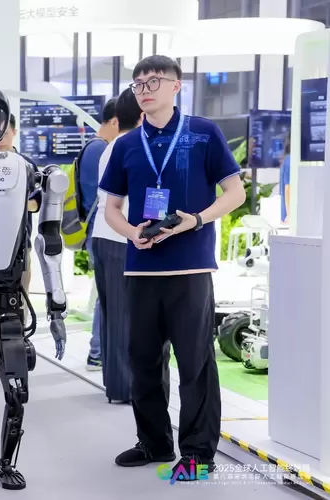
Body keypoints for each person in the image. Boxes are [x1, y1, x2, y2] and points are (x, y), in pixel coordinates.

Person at [100, 55, 246, 477]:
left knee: (195, 362)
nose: (144, 90)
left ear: (176, 86)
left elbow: (234, 192)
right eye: (138, 84)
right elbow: (110, 208)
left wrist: (196, 220)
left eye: (153, 81)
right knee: (142, 359)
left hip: (190, 267)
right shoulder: (126, 144)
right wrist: (132, 233)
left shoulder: (203, 133)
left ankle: (198, 454)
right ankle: (154, 443)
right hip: (141, 267)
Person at [91, 88, 143, 404]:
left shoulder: (112, 147)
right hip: (118, 237)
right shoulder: (128, 146)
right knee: (123, 315)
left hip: (105, 236)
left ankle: (117, 384)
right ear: (141, 114)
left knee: (113, 314)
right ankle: (125, 387)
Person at [0, 112, 40, 369]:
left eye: (4, 133)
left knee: (19, 294)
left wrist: (9, 202)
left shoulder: (26, 164)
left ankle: (16, 344)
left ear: (14, 132)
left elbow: (36, 203)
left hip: (19, 243)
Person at [78, 98, 118, 372]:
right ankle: (98, 352)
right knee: (107, 294)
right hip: (102, 230)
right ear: (114, 121)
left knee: (105, 293)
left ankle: (99, 351)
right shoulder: (101, 150)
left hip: (96, 229)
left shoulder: (92, 147)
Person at [280, 139, 290, 224]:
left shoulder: (287, 160)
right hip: (288, 218)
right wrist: (289, 215)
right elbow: (288, 189)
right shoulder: (290, 161)